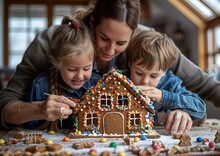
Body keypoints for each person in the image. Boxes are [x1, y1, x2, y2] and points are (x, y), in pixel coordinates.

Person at [0, 0, 219, 134]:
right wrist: (37, 109)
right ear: (93, 23)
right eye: (104, 38)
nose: (110, 50)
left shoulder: (146, 46)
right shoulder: (53, 42)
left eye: (121, 43)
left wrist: (177, 106)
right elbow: (5, 104)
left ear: (133, 35)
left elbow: (204, 86)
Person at [22, 16, 100, 131]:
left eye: (86, 68)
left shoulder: (98, 84)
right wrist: (42, 112)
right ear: (55, 61)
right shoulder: (40, 86)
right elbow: (29, 127)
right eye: (72, 69)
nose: (79, 75)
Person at [126, 30, 206, 134]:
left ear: (164, 71)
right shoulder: (122, 81)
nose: (145, 81)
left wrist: (163, 96)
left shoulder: (170, 83)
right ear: (129, 64)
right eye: (139, 73)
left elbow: (200, 109)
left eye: (153, 76)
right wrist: (158, 117)